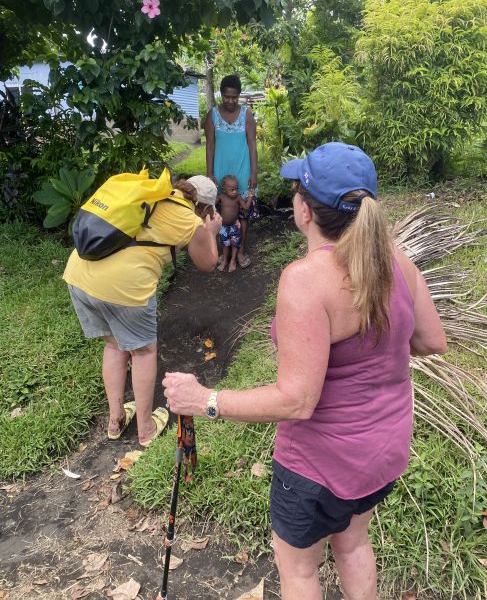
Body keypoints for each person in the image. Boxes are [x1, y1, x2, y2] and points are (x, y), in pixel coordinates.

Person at [162, 143, 447, 600]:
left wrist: (205, 400)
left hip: (320, 466)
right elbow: (432, 341)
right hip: (384, 450)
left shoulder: (305, 279)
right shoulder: (397, 264)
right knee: (353, 543)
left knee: (299, 572)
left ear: (304, 210)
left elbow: (297, 400)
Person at [63, 176, 222, 448]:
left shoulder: (152, 195)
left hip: (79, 275)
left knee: (114, 346)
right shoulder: (190, 219)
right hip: (123, 289)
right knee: (143, 351)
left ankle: (115, 421)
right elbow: (208, 263)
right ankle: (146, 429)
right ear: (205, 207)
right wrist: (212, 232)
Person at [205, 74, 257, 268]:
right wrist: (210, 173)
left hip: (242, 172)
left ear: (239, 96)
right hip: (220, 173)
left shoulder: (247, 114)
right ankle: (223, 253)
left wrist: (254, 172)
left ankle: (241, 251)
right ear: (221, 94)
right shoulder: (213, 115)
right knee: (220, 214)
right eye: (227, 96)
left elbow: (252, 144)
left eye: (234, 97)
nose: (230, 101)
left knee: (242, 215)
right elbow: (209, 145)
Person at [216, 174, 254, 272]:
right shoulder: (221, 197)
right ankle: (224, 261)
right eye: (232, 189)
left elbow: (245, 207)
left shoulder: (238, 198)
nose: (235, 191)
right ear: (224, 189)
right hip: (223, 227)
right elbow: (212, 203)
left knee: (235, 244)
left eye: (236, 189)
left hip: (234, 227)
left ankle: (233, 261)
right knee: (225, 244)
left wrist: (250, 197)